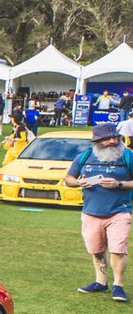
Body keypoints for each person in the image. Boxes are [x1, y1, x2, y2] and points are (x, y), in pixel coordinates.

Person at [64, 123, 133, 302]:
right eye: (107, 138)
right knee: (97, 250)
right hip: (91, 212)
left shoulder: (127, 156)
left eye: (115, 137)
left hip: (119, 211)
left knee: (118, 250)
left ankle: (118, 286)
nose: (112, 141)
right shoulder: (84, 156)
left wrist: (119, 184)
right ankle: (101, 282)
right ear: (97, 141)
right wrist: (79, 183)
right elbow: (69, 179)